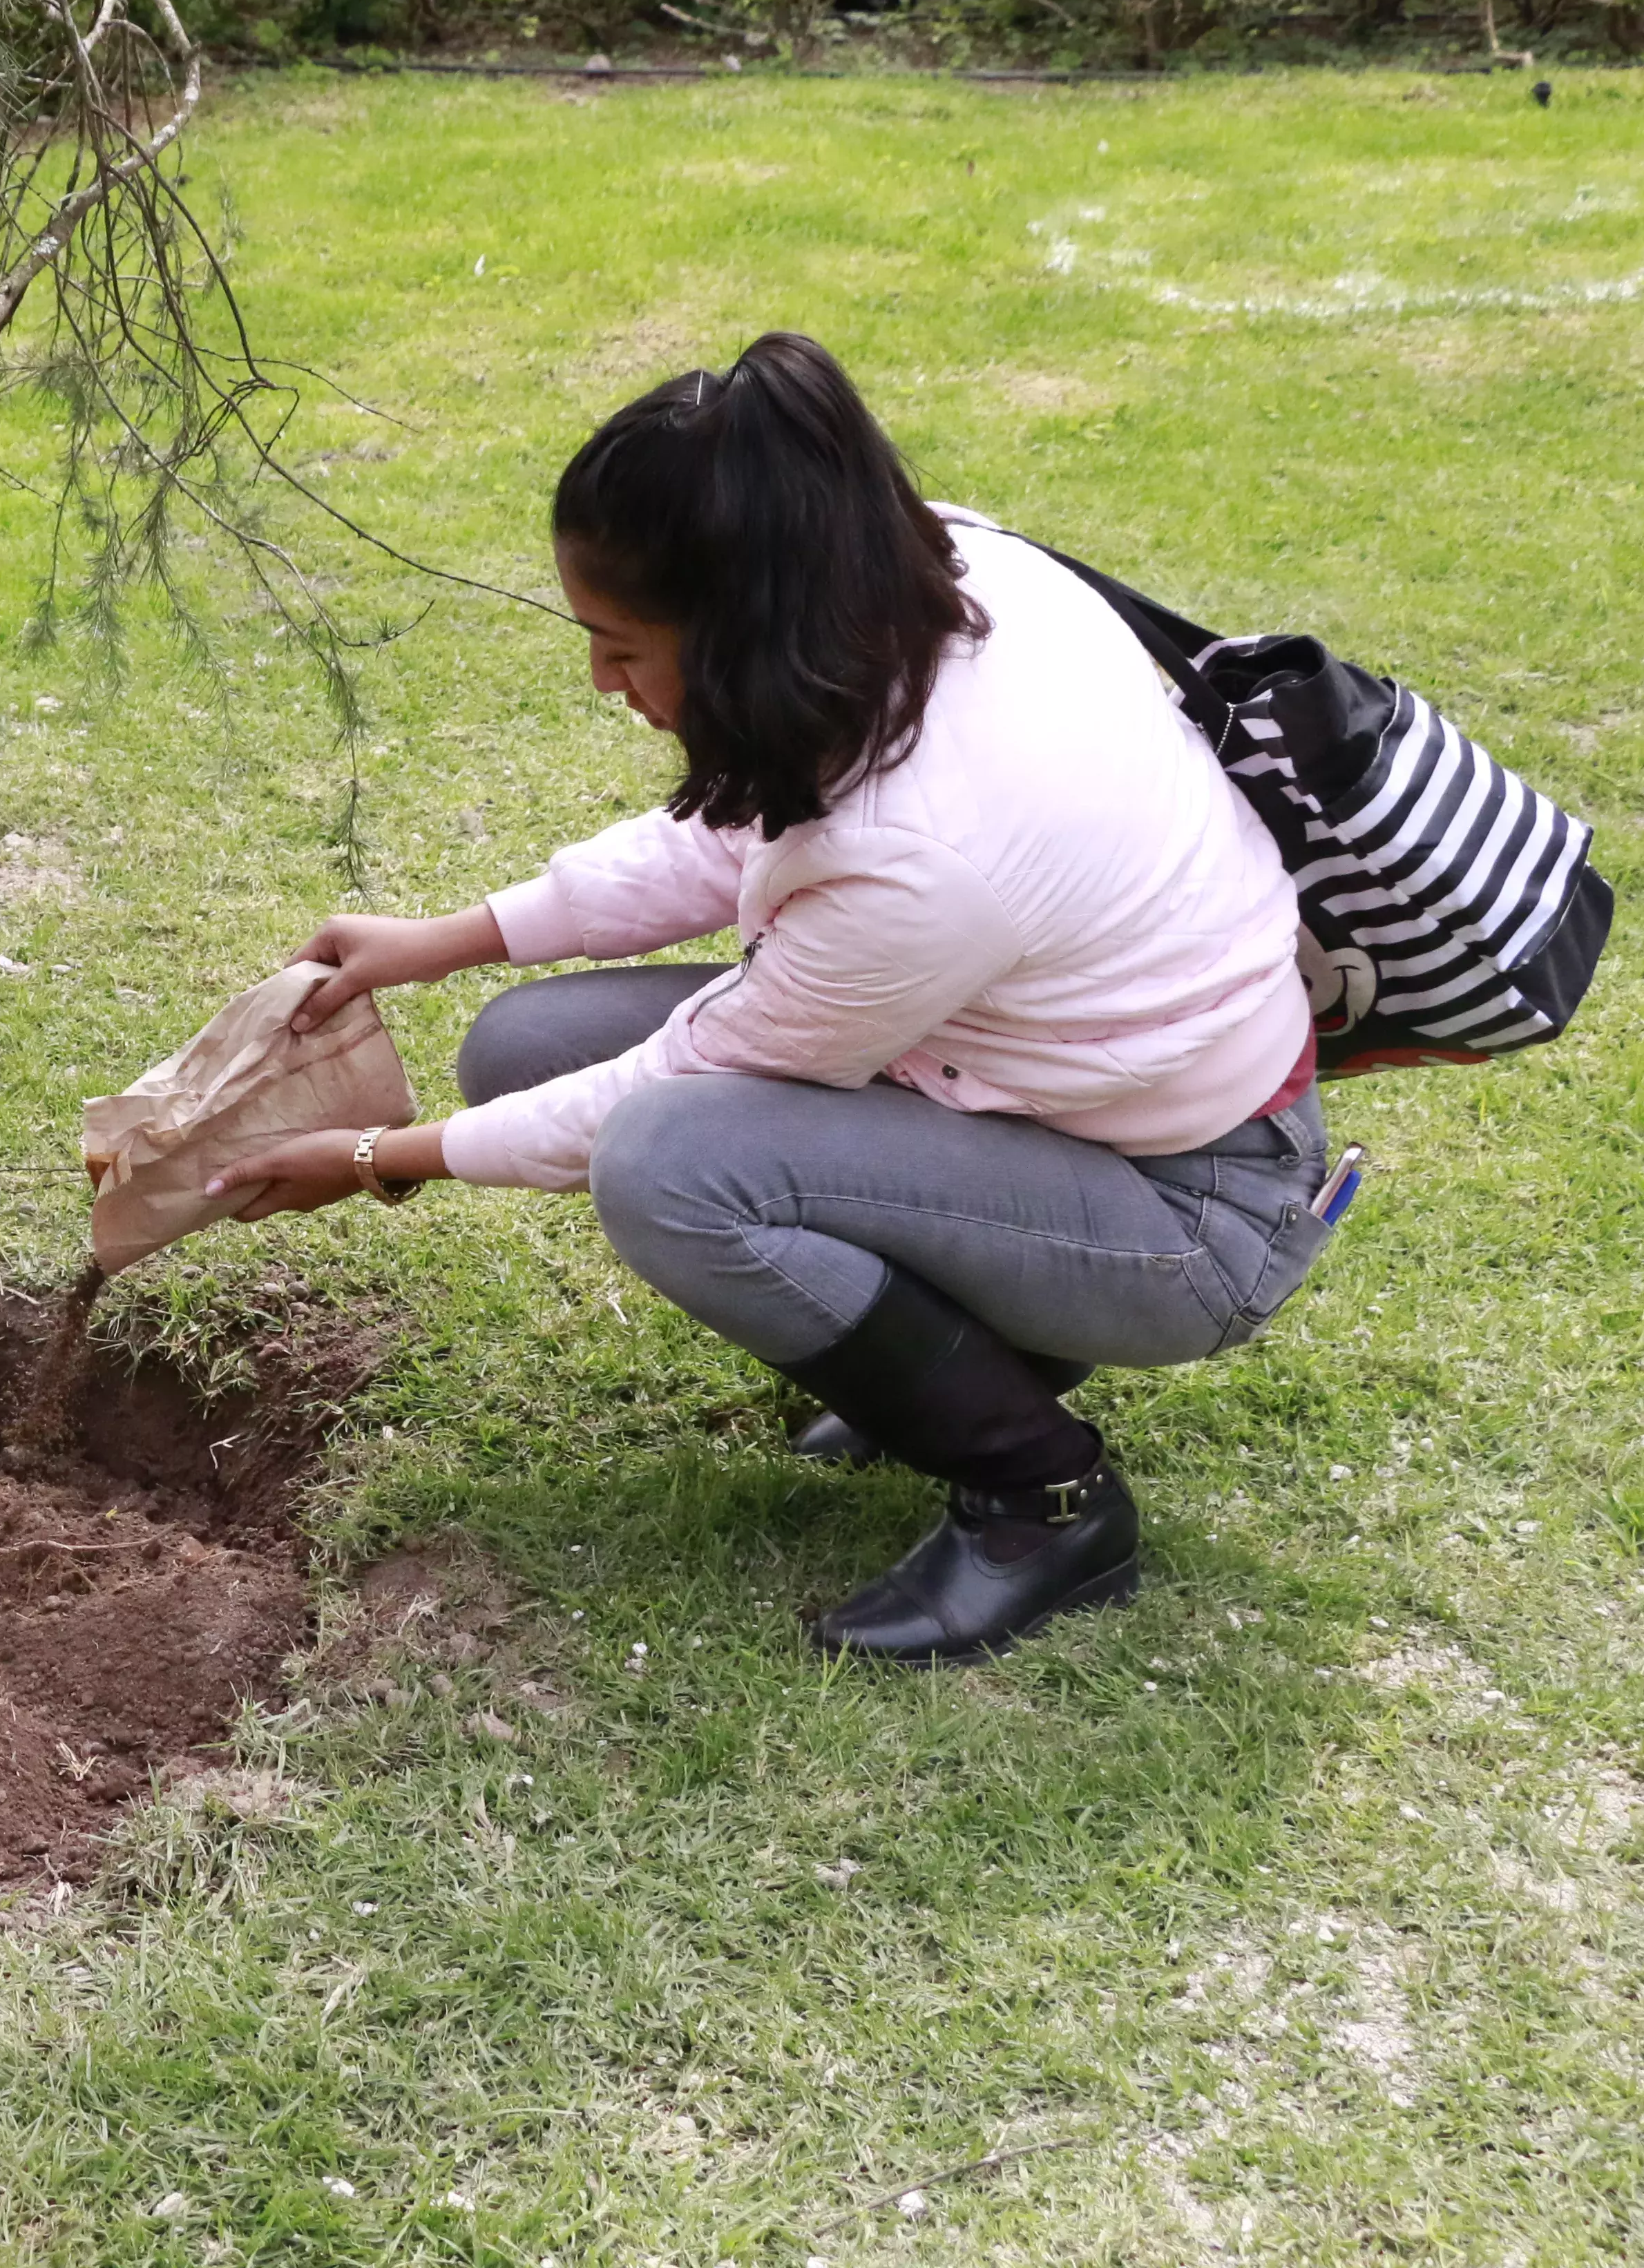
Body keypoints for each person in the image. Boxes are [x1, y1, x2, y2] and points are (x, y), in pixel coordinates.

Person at [207, 333, 1330, 1666]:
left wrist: (373, 1161)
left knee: (670, 1168)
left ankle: (1046, 1498)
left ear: (746, 627)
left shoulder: (926, 855)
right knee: (525, 1045)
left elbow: (676, 1084)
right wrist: (446, 941)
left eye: (622, 649)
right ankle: (977, 1351)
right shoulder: (923, 574)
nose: (602, 681)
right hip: (1036, 1104)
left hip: (1190, 1216)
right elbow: (732, 825)